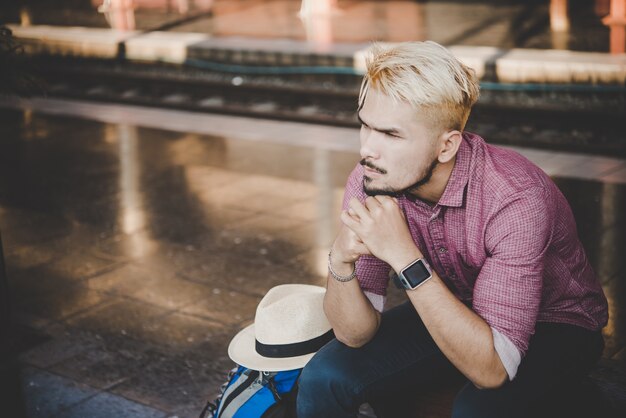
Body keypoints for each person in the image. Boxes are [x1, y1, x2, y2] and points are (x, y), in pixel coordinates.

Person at [296, 41, 608, 418]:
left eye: (391, 135)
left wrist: (403, 256)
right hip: (454, 302)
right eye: (365, 126)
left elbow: (491, 371)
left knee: (475, 409)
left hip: (557, 322)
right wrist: (340, 262)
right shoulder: (371, 180)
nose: (367, 150)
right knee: (324, 376)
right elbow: (353, 334)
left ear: (447, 146)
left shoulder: (516, 199)